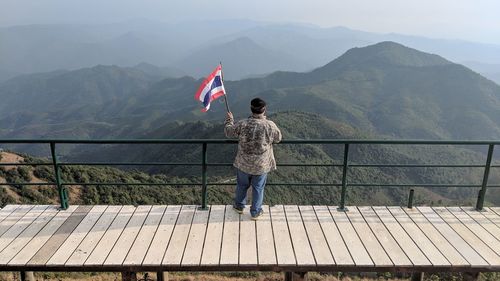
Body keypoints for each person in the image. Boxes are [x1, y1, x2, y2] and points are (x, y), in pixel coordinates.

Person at [224, 98, 282, 220]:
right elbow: (278, 138)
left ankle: (239, 207)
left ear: (251, 109)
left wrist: (229, 120)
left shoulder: (243, 124)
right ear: (264, 110)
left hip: (243, 163)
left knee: (242, 185)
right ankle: (255, 212)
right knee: (258, 188)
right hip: (261, 165)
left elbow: (229, 133)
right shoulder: (270, 125)